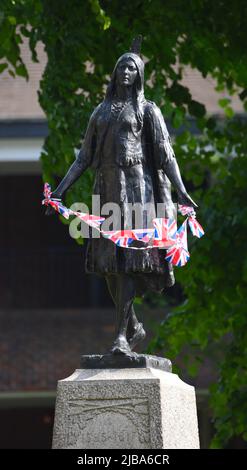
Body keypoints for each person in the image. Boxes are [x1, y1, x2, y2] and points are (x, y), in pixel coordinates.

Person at [46, 37, 197, 356]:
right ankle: (132, 325)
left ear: (139, 75)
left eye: (132, 67)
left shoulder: (148, 110)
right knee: (108, 264)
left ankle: (121, 338)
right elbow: (83, 157)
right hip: (106, 190)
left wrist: (181, 189)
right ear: (114, 73)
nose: (125, 71)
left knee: (127, 263)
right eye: (121, 67)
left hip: (138, 191)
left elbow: (165, 154)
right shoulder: (100, 112)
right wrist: (61, 191)